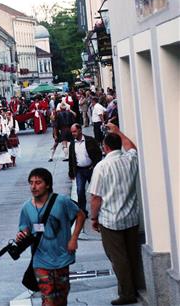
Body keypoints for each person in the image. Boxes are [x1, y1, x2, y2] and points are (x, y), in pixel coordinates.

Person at [88, 124, 141, 305]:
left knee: (118, 258)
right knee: (132, 254)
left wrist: (93, 218)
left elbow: (96, 197)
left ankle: (127, 293)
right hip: (131, 217)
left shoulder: (102, 167)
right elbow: (131, 147)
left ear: (105, 147)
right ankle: (136, 286)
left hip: (110, 219)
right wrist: (118, 131)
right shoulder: (130, 160)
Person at [17, 168, 85, 306]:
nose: (33, 187)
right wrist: (22, 235)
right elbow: (25, 229)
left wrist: (74, 238)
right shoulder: (26, 207)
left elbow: (80, 215)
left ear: (47, 185)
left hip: (62, 257)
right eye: (31, 183)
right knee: (48, 297)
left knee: (61, 296)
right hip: (40, 259)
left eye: (38, 183)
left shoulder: (62, 201)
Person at [68, 124, 102, 216]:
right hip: (79, 171)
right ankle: (82, 211)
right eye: (72, 132)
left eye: (74, 131)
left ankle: (99, 209)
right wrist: (71, 172)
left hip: (91, 169)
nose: (73, 134)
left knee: (95, 190)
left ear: (80, 130)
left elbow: (98, 154)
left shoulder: (90, 140)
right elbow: (71, 158)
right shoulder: (72, 144)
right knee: (80, 190)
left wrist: (94, 165)